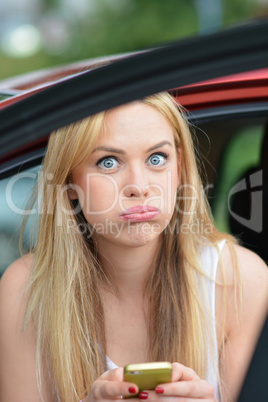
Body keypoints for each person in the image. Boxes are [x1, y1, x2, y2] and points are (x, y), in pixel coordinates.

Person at [0, 92, 267, 402]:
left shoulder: (239, 279)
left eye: (157, 158)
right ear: (69, 181)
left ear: (178, 167)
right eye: (108, 162)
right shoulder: (26, 290)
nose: (139, 186)